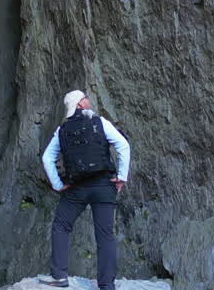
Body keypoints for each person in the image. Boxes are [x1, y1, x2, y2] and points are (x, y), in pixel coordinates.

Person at [39, 90, 131, 290]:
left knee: (61, 226)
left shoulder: (61, 130)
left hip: (76, 189)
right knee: (105, 235)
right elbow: (123, 146)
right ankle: (106, 285)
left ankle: (60, 277)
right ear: (80, 104)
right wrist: (121, 177)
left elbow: (47, 158)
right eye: (85, 98)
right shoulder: (100, 122)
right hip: (104, 186)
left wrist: (57, 185)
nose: (89, 100)